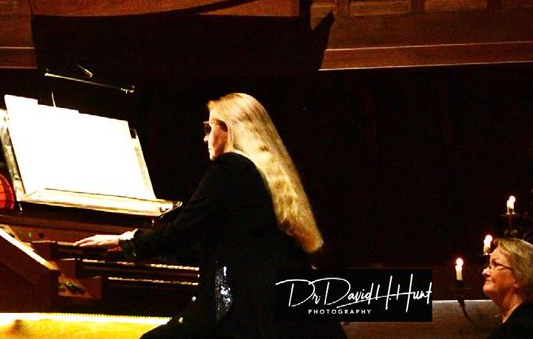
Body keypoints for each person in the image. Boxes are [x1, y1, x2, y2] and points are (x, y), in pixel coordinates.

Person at [75, 92, 337, 338]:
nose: (205, 137)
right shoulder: (266, 173)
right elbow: (214, 242)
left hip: (242, 310)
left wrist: (126, 241)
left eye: (209, 128)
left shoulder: (230, 167)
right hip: (277, 309)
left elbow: (181, 231)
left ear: (228, 130)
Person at [483, 238, 533, 339]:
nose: (485, 272)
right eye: (489, 265)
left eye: (496, 265)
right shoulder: (518, 323)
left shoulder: (524, 330)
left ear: (521, 278)